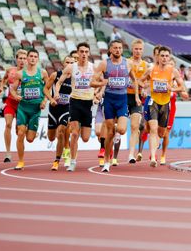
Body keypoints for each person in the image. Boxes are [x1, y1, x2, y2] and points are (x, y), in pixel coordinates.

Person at [91, 40, 140, 172]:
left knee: (122, 130)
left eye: (120, 48)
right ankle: (107, 161)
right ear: (110, 49)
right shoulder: (104, 64)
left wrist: (136, 96)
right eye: (115, 48)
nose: (118, 50)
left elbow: (135, 80)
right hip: (109, 100)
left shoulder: (127, 63)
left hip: (122, 100)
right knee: (110, 133)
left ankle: (114, 128)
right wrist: (103, 83)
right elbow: (92, 82)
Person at [139, 46, 184, 167]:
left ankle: (157, 147)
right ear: (158, 57)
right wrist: (145, 86)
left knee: (161, 133)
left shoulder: (173, 71)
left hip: (165, 103)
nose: (164, 58)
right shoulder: (151, 70)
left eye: (166, 56)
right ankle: (153, 157)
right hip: (153, 101)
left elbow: (182, 87)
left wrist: (172, 88)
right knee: (153, 129)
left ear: (169, 58)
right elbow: (140, 81)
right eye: (162, 56)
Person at [56, 42, 97, 172]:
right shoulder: (71, 68)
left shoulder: (93, 68)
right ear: (78, 53)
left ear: (89, 53)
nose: (84, 54)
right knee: (74, 133)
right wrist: (56, 92)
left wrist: (98, 93)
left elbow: (102, 82)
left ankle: (74, 149)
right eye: (81, 51)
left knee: (85, 137)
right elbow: (59, 82)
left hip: (88, 103)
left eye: (86, 52)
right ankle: (73, 161)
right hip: (75, 102)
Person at [9, 49, 51, 170]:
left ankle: (31, 129)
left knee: (30, 139)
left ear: (37, 59)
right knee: (20, 133)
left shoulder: (42, 73)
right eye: (31, 56)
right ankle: (21, 161)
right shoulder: (20, 74)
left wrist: (44, 101)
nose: (32, 58)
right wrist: (15, 95)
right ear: (27, 58)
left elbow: (47, 89)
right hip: (23, 107)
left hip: (35, 109)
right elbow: (12, 88)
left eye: (35, 56)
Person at [0, 49, 27, 163]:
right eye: (20, 58)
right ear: (16, 59)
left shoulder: (28, 73)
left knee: (19, 131)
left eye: (24, 58)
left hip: (22, 104)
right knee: (8, 124)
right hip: (10, 102)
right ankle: (8, 153)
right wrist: (0, 88)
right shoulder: (10, 70)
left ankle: (20, 151)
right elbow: (3, 80)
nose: (22, 61)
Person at [44, 55, 74, 170]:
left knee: (61, 131)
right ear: (63, 63)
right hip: (54, 109)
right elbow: (45, 89)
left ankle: (57, 160)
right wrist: (51, 99)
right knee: (51, 137)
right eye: (68, 62)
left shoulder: (75, 78)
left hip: (66, 109)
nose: (70, 64)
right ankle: (60, 153)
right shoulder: (56, 75)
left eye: (72, 62)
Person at [127, 39, 148, 164]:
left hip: (137, 99)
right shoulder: (126, 62)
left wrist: (145, 89)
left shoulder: (146, 65)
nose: (138, 51)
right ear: (132, 49)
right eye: (136, 49)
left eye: (140, 49)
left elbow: (147, 82)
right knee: (118, 128)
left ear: (143, 50)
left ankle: (131, 154)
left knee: (135, 126)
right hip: (124, 96)